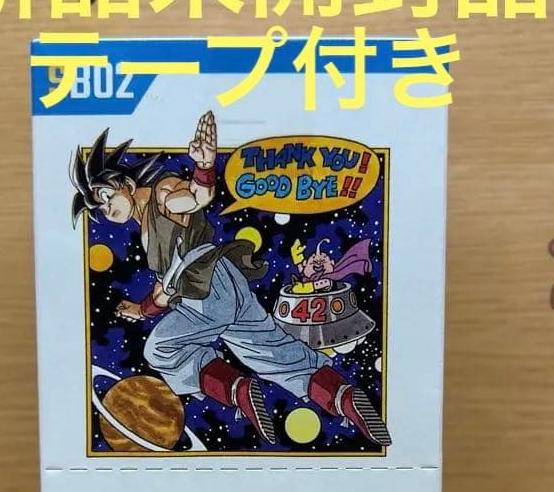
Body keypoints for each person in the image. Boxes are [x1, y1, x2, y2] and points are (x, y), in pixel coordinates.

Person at [70, 113, 391, 447]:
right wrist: (142, 309)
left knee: (161, 349)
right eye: (99, 208)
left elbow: (194, 197)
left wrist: (204, 167)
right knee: (274, 353)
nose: (106, 209)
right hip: (226, 283)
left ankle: (236, 389)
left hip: (205, 292)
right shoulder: (146, 227)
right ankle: (343, 397)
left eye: (106, 196)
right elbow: (165, 290)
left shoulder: (161, 193)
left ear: (125, 183)